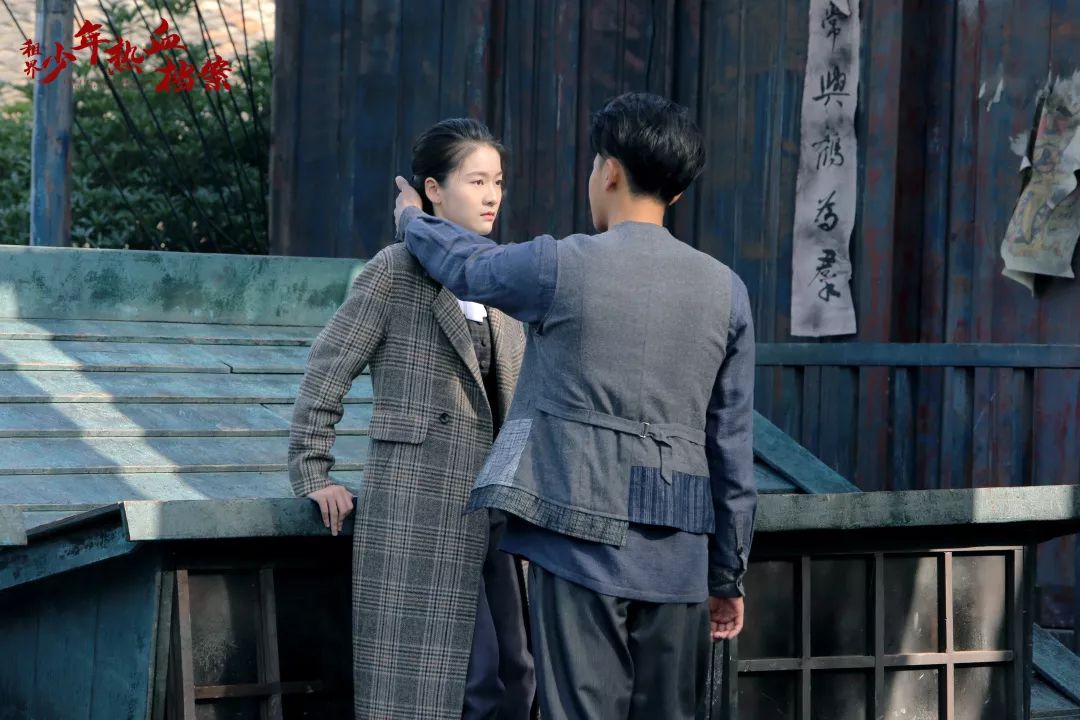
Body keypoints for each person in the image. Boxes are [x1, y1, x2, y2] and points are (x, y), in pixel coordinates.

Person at [393, 92, 756, 720]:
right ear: (675, 191)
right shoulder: (728, 291)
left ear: (609, 171)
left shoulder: (561, 265)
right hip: (678, 548)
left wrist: (411, 219)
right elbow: (730, 445)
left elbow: (468, 266)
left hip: (574, 528)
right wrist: (726, 574)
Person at [289, 118, 535, 720]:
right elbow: (327, 368)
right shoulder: (395, 271)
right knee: (461, 683)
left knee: (518, 674)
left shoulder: (502, 279)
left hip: (501, 513)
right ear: (433, 190)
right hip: (419, 507)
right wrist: (314, 471)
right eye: (476, 181)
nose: (492, 196)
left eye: (498, 181)